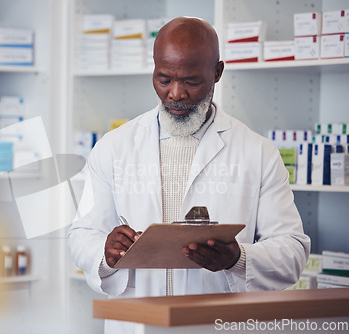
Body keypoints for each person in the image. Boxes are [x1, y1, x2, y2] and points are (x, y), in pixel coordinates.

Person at [68, 17, 310, 334]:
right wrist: (106, 250)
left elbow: (292, 250)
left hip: (217, 324)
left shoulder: (257, 152)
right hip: (137, 321)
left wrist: (237, 258)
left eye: (191, 82)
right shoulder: (114, 147)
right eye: (164, 79)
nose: (175, 94)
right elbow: (81, 234)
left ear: (217, 73)